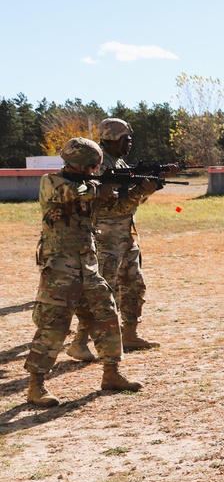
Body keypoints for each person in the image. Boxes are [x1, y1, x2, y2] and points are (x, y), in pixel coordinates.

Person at [24, 138, 142, 407]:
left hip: (88, 264)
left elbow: (113, 208)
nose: (94, 170)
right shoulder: (51, 181)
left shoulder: (91, 186)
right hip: (59, 266)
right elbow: (73, 193)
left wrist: (137, 190)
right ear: (80, 163)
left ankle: (111, 373)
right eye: (91, 166)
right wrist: (100, 188)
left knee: (106, 315)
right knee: (53, 324)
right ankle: (35, 386)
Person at [68, 118, 175, 359]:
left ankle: (130, 334)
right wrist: (141, 191)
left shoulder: (120, 161)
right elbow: (109, 206)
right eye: (126, 139)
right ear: (114, 138)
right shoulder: (100, 164)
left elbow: (130, 201)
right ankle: (79, 342)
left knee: (133, 284)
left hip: (126, 233)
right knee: (103, 291)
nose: (130, 143)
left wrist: (148, 187)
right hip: (107, 237)